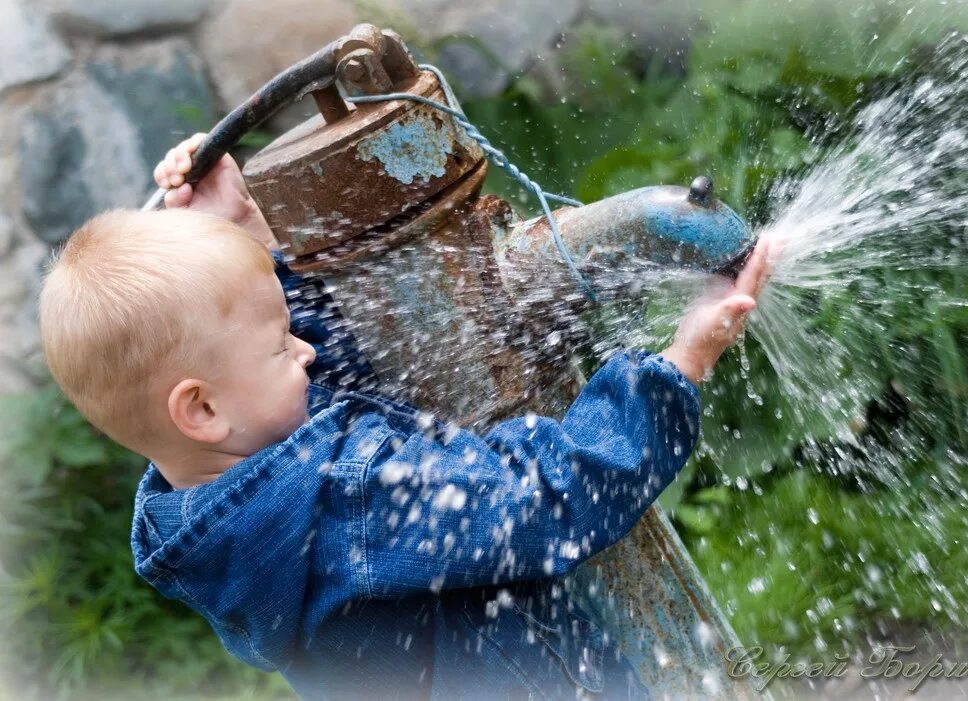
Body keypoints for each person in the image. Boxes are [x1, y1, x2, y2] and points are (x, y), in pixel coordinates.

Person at [38, 133, 772, 700]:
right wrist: (677, 365)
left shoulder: (240, 499)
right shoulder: (351, 502)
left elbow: (312, 387)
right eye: (280, 338)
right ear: (200, 407)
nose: (304, 348)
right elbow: (544, 500)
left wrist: (247, 239)